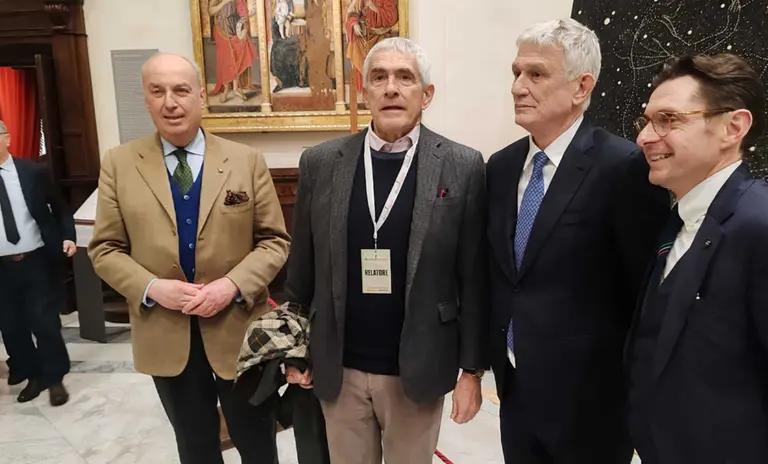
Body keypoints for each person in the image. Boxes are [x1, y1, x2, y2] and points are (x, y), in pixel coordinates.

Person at [283, 37, 488, 464]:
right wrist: (295, 349)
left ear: (426, 94)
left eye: (405, 77)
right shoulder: (321, 163)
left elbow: (473, 278)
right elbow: (301, 269)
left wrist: (472, 370)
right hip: (340, 368)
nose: (391, 88)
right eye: (379, 77)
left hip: (418, 368)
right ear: (365, 91)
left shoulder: (462, 165)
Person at [88, 53, 290, 464]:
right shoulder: (119, 164)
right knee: (195, 445)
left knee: (257, 441)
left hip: (239, 330)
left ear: (201, 96)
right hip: (165, 332)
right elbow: (105, 249)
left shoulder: (246, 160)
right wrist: (151, 288)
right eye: (157, 91)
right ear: (145, 99)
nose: (170, 102)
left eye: (181, 90)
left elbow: (274, 241)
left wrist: (231, 286)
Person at [626, 52, 768, 464]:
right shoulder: (677, 220)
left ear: (733, 127)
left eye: (668, 119)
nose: (645, 137)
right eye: (645, 122)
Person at [486, 19, 671, 463]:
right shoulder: (502, 166)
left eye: (536, 74)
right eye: (516, 72)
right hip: (516, 390)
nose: (517, 87)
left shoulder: (624, 166)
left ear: (581, 86)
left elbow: (644, 291)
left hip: (592, 404)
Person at [0, 119, 75, 406]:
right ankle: (31, 374)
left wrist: (67, 236)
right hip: (1, 268)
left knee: (44, 322)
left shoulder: (32, 172)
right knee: (11, 326)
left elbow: (59, 206)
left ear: (7, 138)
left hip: (36, 261)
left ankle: (54, 379)